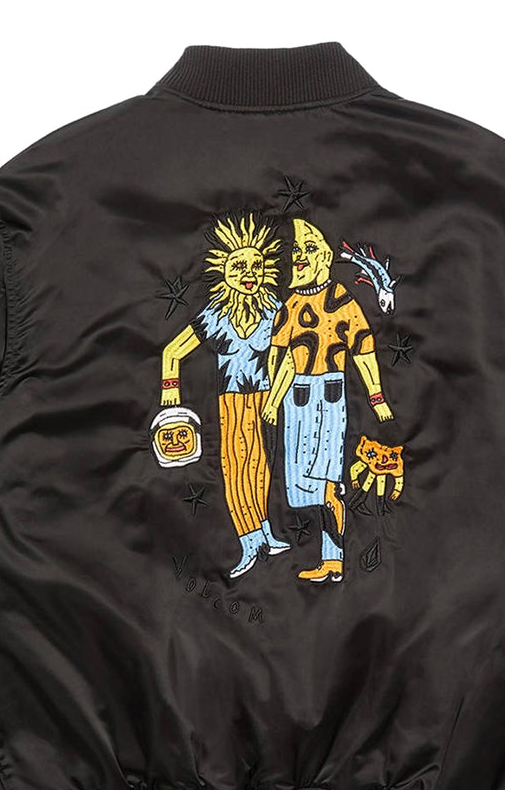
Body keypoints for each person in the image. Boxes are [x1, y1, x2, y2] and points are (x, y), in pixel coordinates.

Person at [159, 214, 292, 577]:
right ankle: (248, 542)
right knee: (235, 468)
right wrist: (170, 393)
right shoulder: (216, 315)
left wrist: (279, 395)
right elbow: (173, 352)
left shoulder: (275, 311)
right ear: (224, 271)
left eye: (256, 265)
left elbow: (289, 355)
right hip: (231, 399)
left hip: (264, 397)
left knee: (261, 465)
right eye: (239, 266)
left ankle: (265, 532)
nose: (249, 273)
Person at [263, 218, 394, 583]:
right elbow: (284, 358)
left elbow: (363, 348)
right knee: (300, 487)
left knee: (326, 482)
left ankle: (334, 560)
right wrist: (274, 399)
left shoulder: (340, 300)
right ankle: (331, 557)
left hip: (329, 396)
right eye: (296, 250)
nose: (299, 257)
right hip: (296, 400)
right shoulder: (290, 305)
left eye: (308, 249)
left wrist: (376, 397)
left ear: (323, 257)